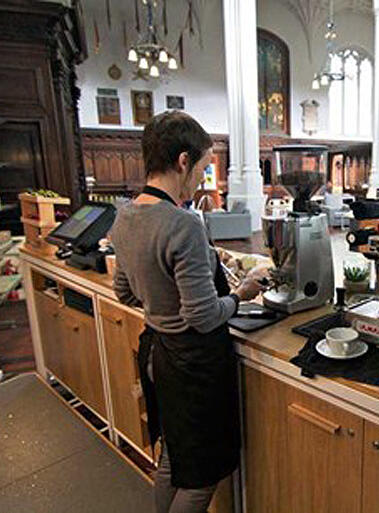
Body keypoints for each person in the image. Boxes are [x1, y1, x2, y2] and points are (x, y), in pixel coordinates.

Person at [110, 111, 268, 513]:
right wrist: (243, 295)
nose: (201, 176)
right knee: (201, 480)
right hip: (193, 365)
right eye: (202, 166)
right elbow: (202, 316)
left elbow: (124, 293)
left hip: (156, 355)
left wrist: (161, 303)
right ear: (183, 161)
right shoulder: (182, 224)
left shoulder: (125, 216)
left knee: (173, 460)